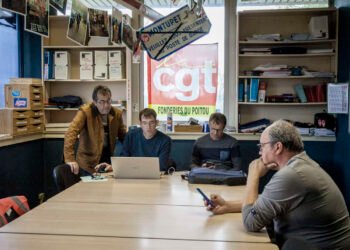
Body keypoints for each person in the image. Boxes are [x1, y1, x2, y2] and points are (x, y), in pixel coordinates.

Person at [204, 120, 350, 249]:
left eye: (262, 146)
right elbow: (268, 202)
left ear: (278, 147)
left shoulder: (291, 175)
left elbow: (250, 223)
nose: (260, 152)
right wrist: (228, 206)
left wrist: (253, 174)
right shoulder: (302, 164)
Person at [61, 85, 126, 180]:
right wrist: (70, 159)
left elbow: (123, 136)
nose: (106, 105)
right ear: (95, 102)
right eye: (102, 102)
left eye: (108, 101)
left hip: (106, 162)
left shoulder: (116, 114)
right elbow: (71, 133)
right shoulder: (85, 112)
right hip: (87, 164)